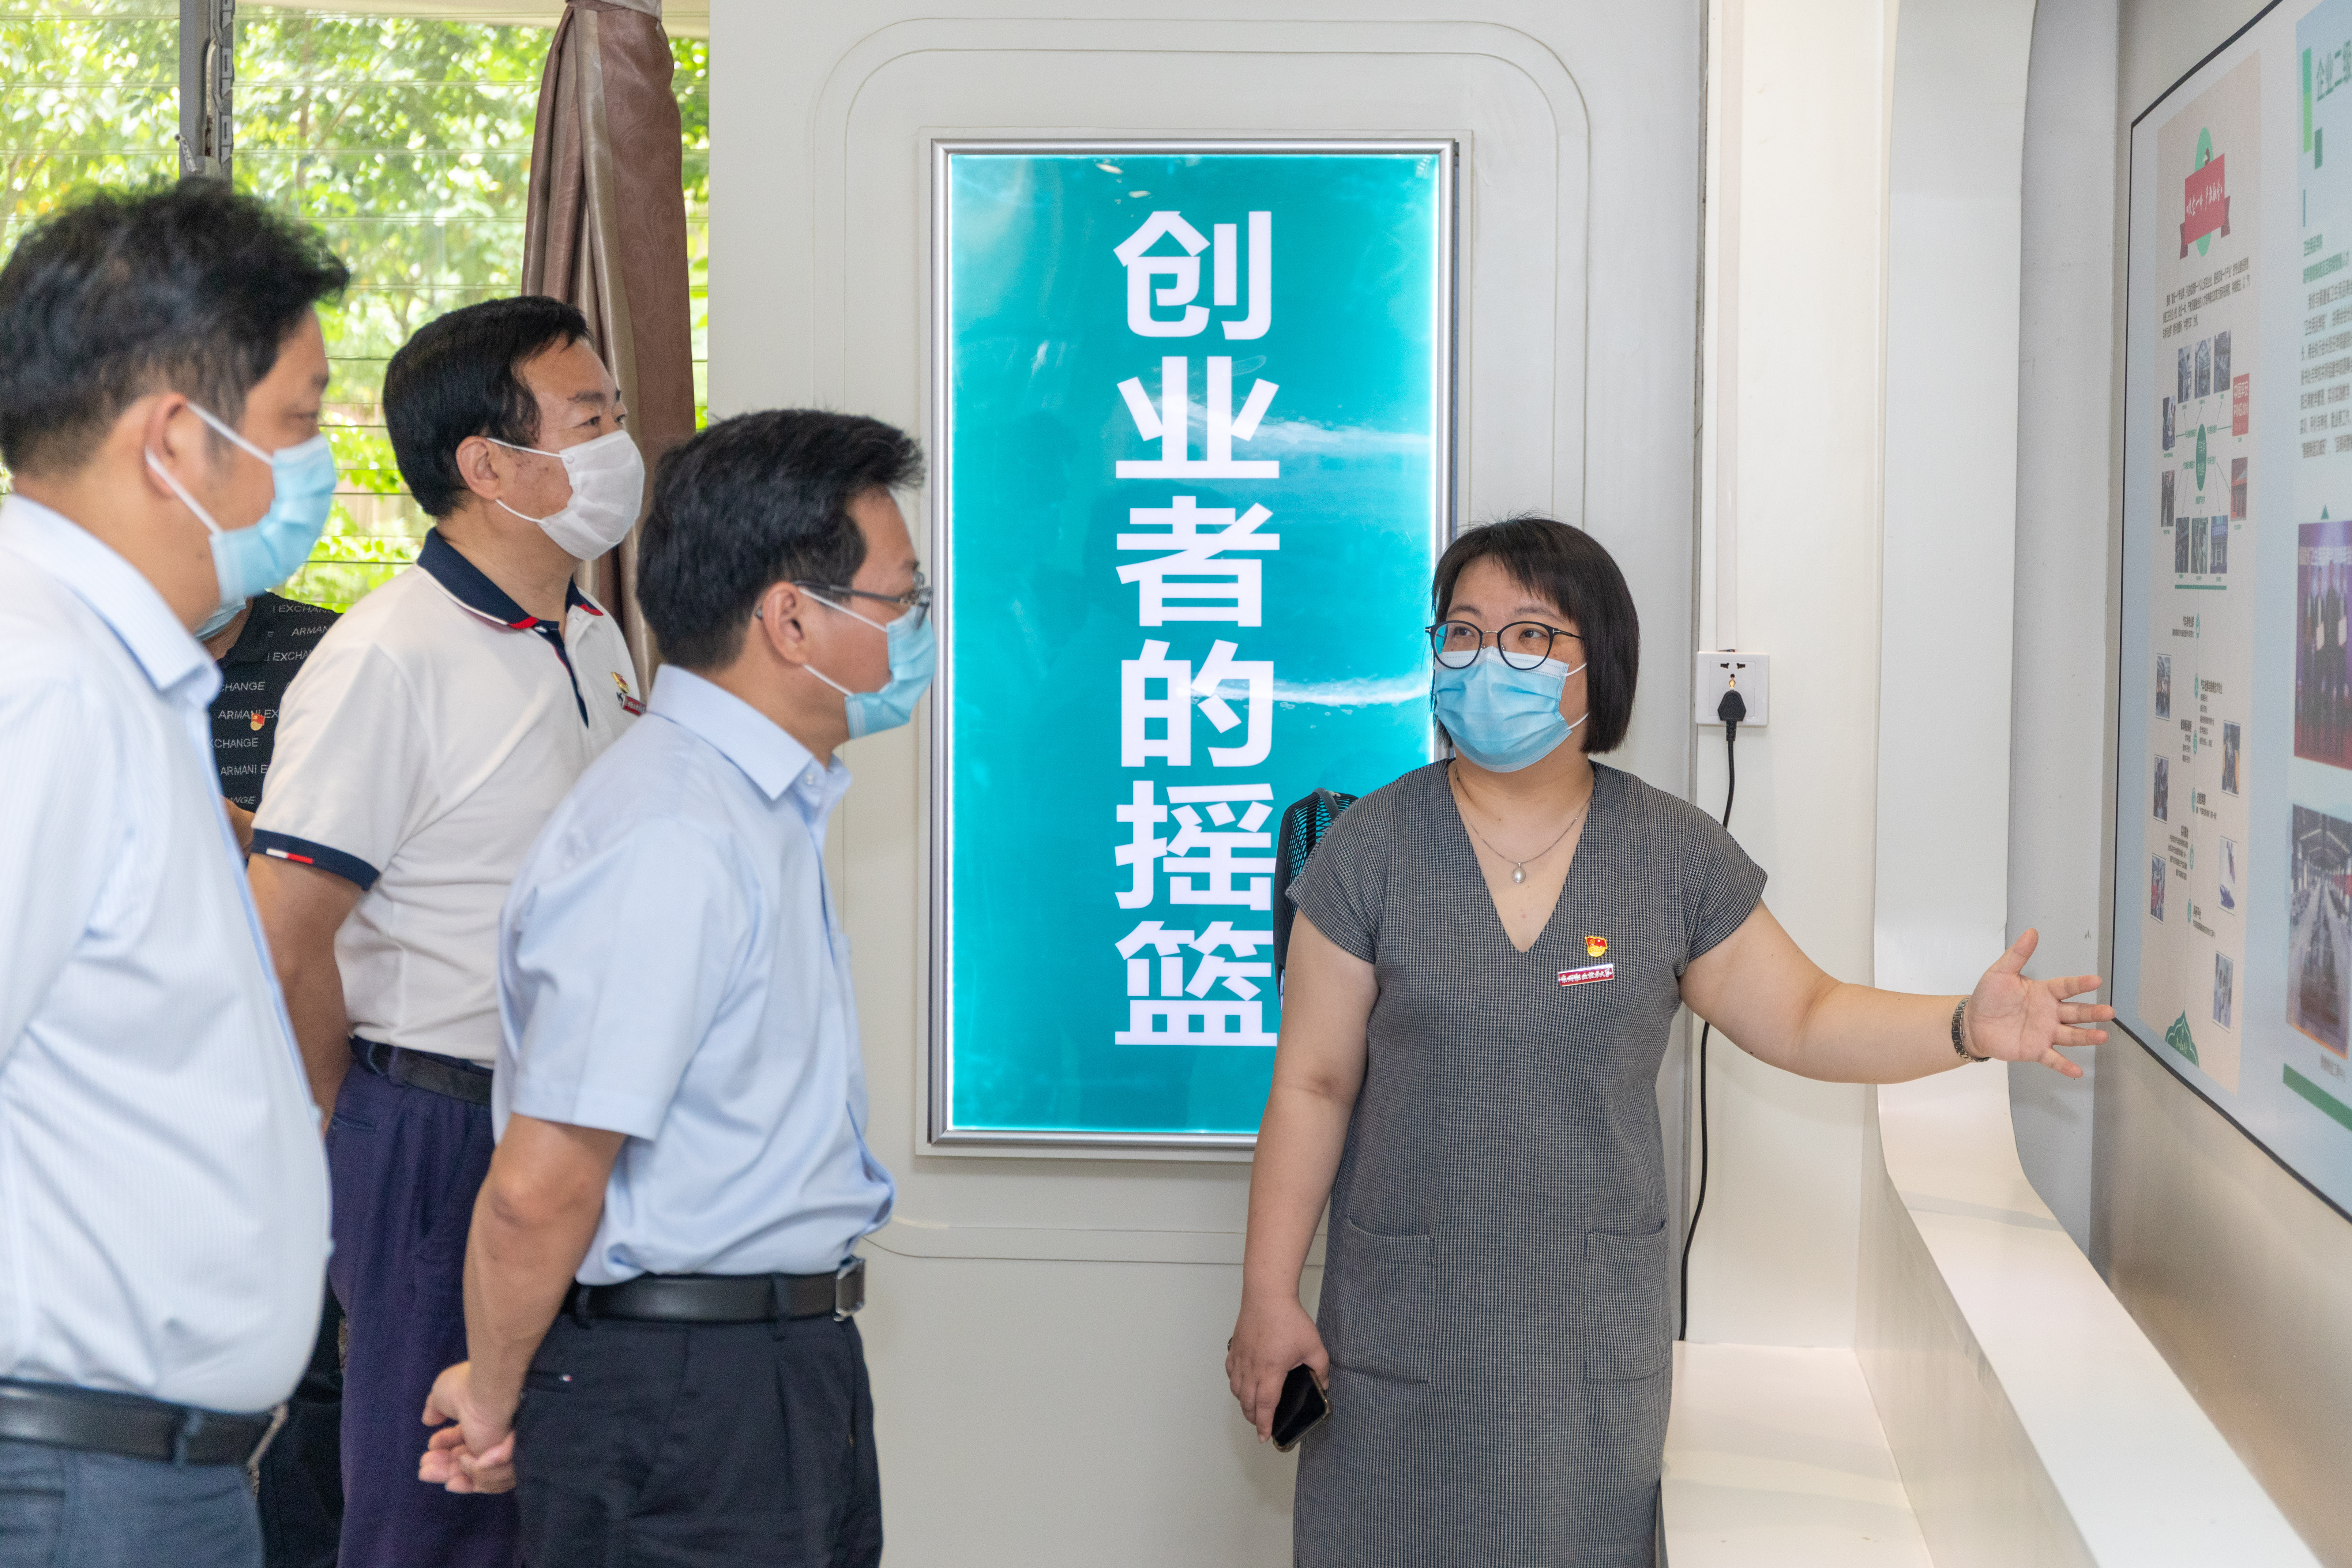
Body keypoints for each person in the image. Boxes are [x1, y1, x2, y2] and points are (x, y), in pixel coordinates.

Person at [1223, 516, 2111, 1567]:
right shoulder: (1370, 849)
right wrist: (1268, 1294)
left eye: (1528, 636)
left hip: (1587, 1351)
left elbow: (1806, 1015)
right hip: (1402, 1341)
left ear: (1598, 665)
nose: (1484, 661)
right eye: (1462, 633)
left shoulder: (1671, 854)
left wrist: (1965, 1025)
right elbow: (1314, 1085)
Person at [415, 409, 924, 1566]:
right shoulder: (669, 834)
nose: (918, 631)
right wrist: (495, 1394)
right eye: (902, 601)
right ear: (792, 619)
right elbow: (542, 1183)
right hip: (687, 1395)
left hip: (776, 1371)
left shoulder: (755, 806)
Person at [247, 296, 646, 1568]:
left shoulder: (595, 634)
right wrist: (340, 1120)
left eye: (616, 415)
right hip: (434, 1126)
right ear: (489, 464)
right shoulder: (390, 654)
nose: (619, 446)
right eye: (589, 419)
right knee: (438, 1516)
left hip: (573, 1126)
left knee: (562, 1504)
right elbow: (286, 935)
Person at [0, 181, 344, 1567]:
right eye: (300, 425)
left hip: (137, 1468)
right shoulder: (43, 684)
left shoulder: (116, 675)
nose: (316, 470)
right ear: (174, 442)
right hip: (72, 1478)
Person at [200, 588, 345, 1568]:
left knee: (308, 1356)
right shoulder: (84, 658)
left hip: (296, 1044)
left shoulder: (326, 654)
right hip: (145, 1063)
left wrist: (236, 831)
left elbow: (351, 859)